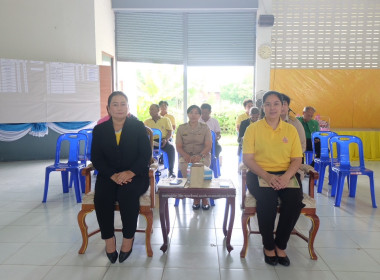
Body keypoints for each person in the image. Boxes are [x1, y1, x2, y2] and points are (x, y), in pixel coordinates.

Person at [242, 91, 304, 267]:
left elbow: (297, 159)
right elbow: (247, 159)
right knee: (267, 201)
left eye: (276, 103)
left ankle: (280, 245)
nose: (272, 108)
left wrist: (285, 177)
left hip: (286, 173)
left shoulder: (290, 129)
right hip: (259, 173)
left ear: (283, 106)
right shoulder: (253, 129)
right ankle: (268, 245)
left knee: (294, 201)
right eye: (268, 104)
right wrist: (268, 176)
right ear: (263, 107)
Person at [91, 91, 152, 264]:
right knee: (102, 196)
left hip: (136, 175)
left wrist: (130, 172)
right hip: (108, 175)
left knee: (127, 194)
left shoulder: (138, 126)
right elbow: (96, 158)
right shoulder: (100, 130)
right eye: (115, 104)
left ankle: (128, 239)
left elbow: (145, 155)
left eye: (123, 104)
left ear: (128, 107)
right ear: (108, 108)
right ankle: (109, 240)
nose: (119, 108)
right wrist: (112, 175)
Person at [176, 105, 212, 210]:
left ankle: (204, 197)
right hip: (186, 156)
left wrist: (200, 155)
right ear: (187, 114)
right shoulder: (181, 128)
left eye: (196, 113)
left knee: (201, 168)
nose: (193, 115)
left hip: (202, 155)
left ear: (200, 115)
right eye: (191, 112)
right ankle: (196, 197)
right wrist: (185, 155)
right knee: (186, 167)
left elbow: (208, 145)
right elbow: (178, 146)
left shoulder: (205, 127)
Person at [144, 104, 176, 178]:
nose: (150, 111)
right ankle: (146, 171)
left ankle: (171, 171)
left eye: (152, 109)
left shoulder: (165, 120)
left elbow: (170, 132)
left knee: (171, 148)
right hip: (151, 141)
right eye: (150, 109)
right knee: (142, 149)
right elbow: (143, 133)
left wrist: (166, 140)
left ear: (158, 110)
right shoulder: (147, 122)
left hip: (162, 141)